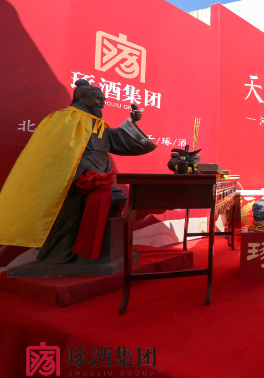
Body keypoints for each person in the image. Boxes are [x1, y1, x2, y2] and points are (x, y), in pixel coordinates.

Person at [0, 79, 156, 264]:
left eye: (103, 98)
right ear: (81, 97)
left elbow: (113, 140)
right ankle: (61, 255)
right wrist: (85, 172)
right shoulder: (64, 118)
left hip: (99, 175)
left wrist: (131, 121)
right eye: (97, 98)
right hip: (73, 177)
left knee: (113, 202)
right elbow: (58, 153)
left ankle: (96, 252)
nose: (102, 102)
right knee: (69, 216)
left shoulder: (98, 124)